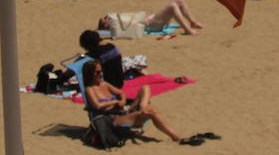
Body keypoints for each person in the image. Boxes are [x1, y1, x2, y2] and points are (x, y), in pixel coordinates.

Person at [80, 60, 212, 145]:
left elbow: (122, 93)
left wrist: (122, 100)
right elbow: (97, 105)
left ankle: (143, 107)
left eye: (101, 71)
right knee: (151, 110)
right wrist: (114, 101)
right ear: (90, 74)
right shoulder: (90, 89)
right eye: (97, 72)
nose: (101, 74)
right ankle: (176, 136)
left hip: (123, 110)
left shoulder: (104, 84)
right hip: (112, 119)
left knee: (146, 88)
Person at [98, 0, 205, 36]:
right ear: (106, 25)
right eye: (106, 20)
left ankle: (193, 22)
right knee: (172, 6)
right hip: (152, 25)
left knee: (179, 0)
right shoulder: (116, 27)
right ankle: (188, 30)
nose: (109, 18)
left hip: (152, 20)